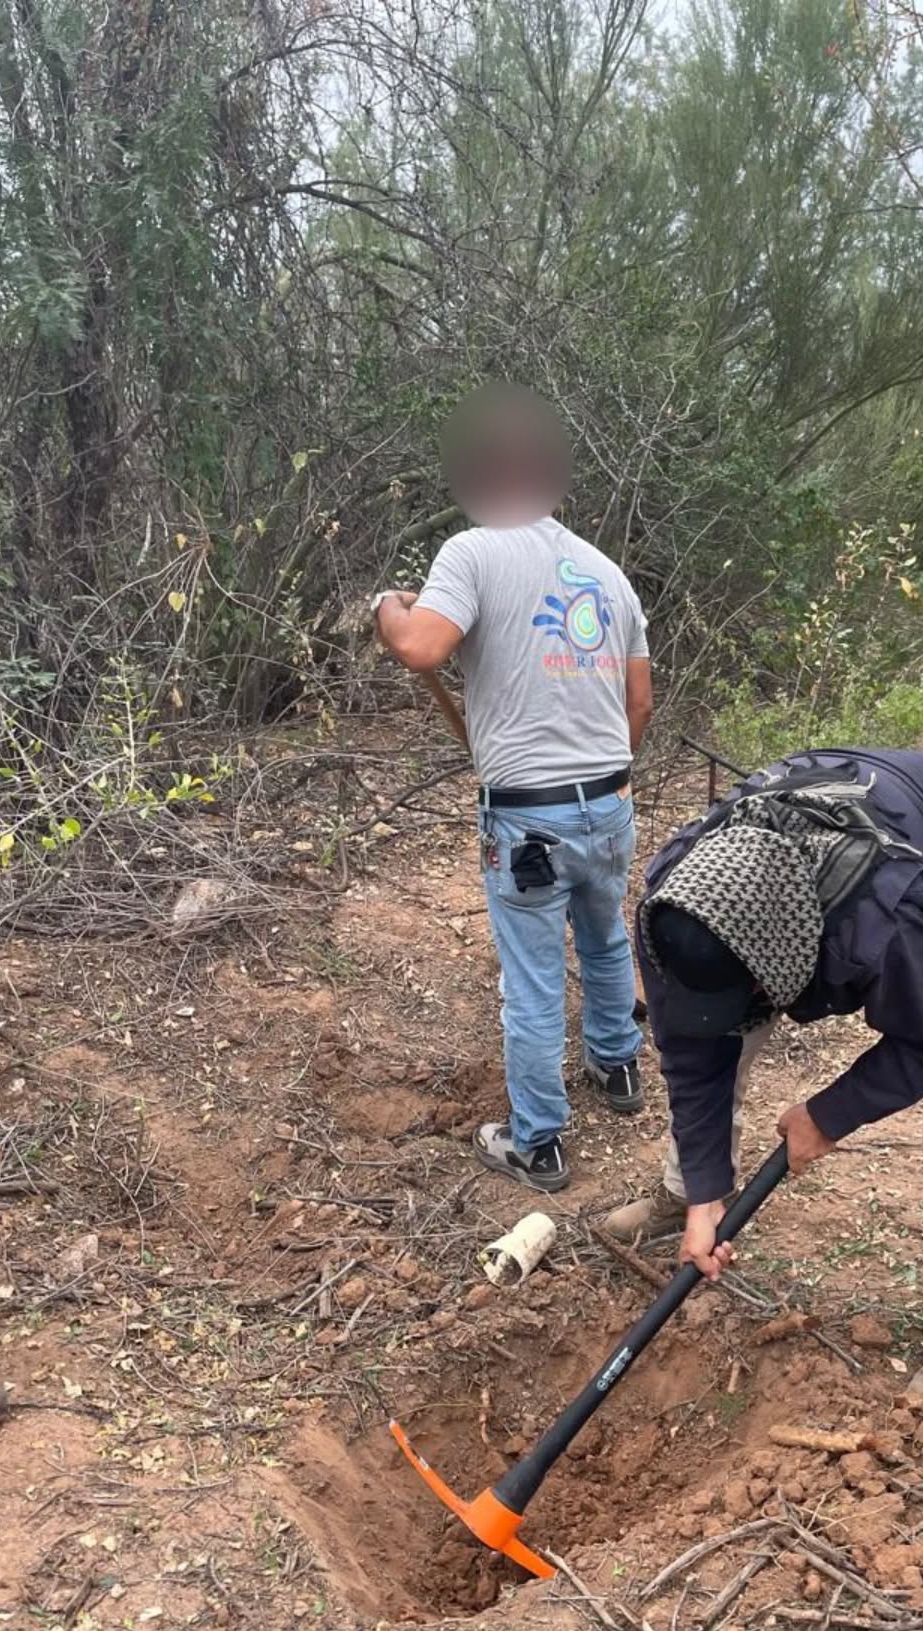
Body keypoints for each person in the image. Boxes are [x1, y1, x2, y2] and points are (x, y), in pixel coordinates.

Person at [605, 748, 923, 1394]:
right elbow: (691, 1050)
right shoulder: (675, 908)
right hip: (787, 873)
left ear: (783, 959)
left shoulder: (878, 922)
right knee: (721, 1034)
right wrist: (707, 1190)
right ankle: (685, 1197)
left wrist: (827, 1117)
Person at [376, 385, 653, 1192]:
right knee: (603, 941)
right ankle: (618, 1069)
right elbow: (638, 704)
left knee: (531, 979)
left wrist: (388, 610)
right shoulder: (609, 575)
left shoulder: (471, 553)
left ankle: (538, 1141)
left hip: (528, 820)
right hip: (609, 803)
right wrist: (599, 781)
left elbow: (423, 648)